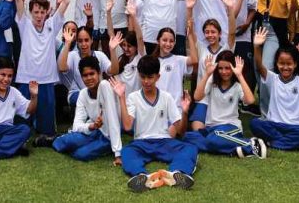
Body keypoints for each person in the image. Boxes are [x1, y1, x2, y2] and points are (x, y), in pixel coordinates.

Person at [109, 56, 197, 193]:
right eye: (143, 77)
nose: (146, 81)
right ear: (139, 75)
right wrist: (121, 97)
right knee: (126, 151)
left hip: (164, 141)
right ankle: (142, 176)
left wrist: (185, 112)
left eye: (150, 77)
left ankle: (177, 174)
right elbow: (127, 126)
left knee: (191, 148)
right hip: (141, 143)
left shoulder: (167, 97)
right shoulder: (133, 97)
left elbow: (181, 131)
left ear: (158, 77)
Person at [237, 0, 299, 116]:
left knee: (266, 69)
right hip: (259, 28)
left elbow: (292, 9)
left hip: (274, 30)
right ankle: (265, 109)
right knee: (257, 69)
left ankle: (271, 113)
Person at [14, 0, 70, 144]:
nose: (39, 15)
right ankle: (23, 135)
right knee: (22, 123)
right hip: (25, 76)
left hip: (46, 78)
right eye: (35, 12)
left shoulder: (51, 25)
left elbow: (67, 0)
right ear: (31, 12)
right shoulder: (24, 24)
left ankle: (44, 136)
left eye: (42, 12)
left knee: (47, 128)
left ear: (48, 12)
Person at [249, 29, 299, 152]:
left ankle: (272, 142)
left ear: (295, 64)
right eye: (281, 63)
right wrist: (257, 47)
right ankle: (292, 144)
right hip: (274, 124)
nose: (285, 67)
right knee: (255, 123)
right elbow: (259, 66)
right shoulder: (272, 78)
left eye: (289, 64)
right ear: (277, 64)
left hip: (296, 126)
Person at [183, 52, 265, 158]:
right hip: (211, 128)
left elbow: (250, 100)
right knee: (188, 137)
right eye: (220, 68)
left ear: (233, 68)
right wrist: (207, 74)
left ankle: (250, 144)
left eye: (227, 68)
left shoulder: (237, 86)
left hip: (230, 127)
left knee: (213, 139)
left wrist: (239, 75)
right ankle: (234, 149)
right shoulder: (212, 82)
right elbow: (197, 97)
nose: (224, 72)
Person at [52, 56, 123, 164]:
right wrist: (92, 126)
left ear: (99, 73)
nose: (89, 78)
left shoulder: (105, 86)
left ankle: (104, 147)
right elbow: (76, 125)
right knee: (60, 142)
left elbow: (113, 120)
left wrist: (118, 154)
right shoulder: (83, 93)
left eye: (92, 74)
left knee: (81, 154)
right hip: (93, 131)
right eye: (85, 75)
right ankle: (70, 140)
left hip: (107, 136)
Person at [190, 0, 243, 130]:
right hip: (203, 96)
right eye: (207, 32)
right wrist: (189, 9)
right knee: (197, 129)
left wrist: (230, 8)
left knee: (213, 128)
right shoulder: (201, 47)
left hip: (219, 97)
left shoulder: (226, 49)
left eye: (213, 32)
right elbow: (190, 29)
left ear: (220, 34)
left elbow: (232, 32)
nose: (210, 35)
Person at [224, 0, 259, 115]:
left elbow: (252, 7)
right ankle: (227, 100)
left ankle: (246, 102)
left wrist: (247, 23)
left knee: (246, 68)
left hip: (244, 35)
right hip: (226, 35)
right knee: (226, 68)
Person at [57, 27, 120, 108]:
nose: (83, 44)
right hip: (76, 94)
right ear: (77, 42)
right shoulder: (72, 55)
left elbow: (114, 71)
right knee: (87, 99)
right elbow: (62, 68)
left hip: (96, 93)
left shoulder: (99, 55)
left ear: (92, 40)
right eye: (80, 41)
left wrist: (112, 50)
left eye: (86, 40)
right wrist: (67, 43)